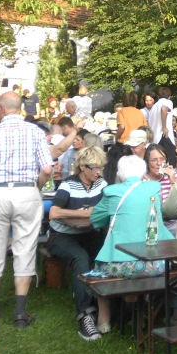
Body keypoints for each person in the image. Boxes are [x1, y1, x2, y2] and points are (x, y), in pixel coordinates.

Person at [0, 91, 53, 328]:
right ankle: (20, 313)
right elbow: (47, 169)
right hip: (27, 192)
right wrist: (35, 187)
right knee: (25, 248)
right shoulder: (36, 132)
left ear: (2, 109)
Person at [91, 156, 173, 332]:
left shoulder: (112, 192)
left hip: (120, 265)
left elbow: (95, 220)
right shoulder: (154, 188)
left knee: (99, 270)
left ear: (120, 173)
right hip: (156, 263)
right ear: (143, 172)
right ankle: (141, 313)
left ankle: (104, 320)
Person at [47, 145, 108, 341]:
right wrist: (83, 214)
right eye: (94, 168)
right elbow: (54, 212)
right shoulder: (68, 185)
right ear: (82, 167)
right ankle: (85, 314)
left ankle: (105, 306)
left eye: (100, 167)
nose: (98, 172)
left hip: (89, 233)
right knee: (80, 257)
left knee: (106, 254)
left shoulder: (101, 184)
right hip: (62, 236)